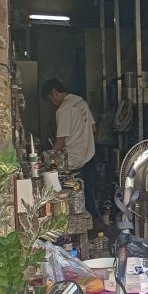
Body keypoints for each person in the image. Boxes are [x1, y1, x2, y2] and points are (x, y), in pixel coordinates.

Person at [42, 78, 97, 217]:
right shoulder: (80, 101)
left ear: (54, 92)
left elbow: (61, 141)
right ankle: (95, 223)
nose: (52, 104)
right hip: (89, 155)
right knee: (89, 197)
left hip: (74, 162)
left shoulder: (64, 109)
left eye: (50, 99)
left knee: (73, 202)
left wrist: (49, 158)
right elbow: (93, 128)